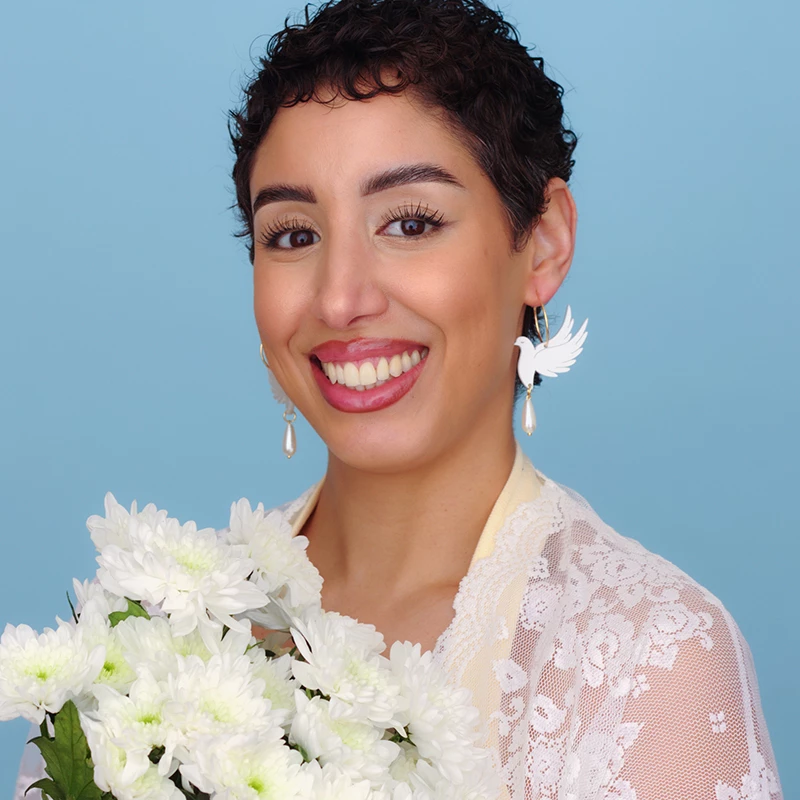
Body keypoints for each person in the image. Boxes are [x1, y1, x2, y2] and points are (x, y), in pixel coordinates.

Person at [14, 0, 783, 798]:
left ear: (543, 244)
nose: (340, 299)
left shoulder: (648, 662)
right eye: (294, 235)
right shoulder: (147, 635)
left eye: (411, 224)